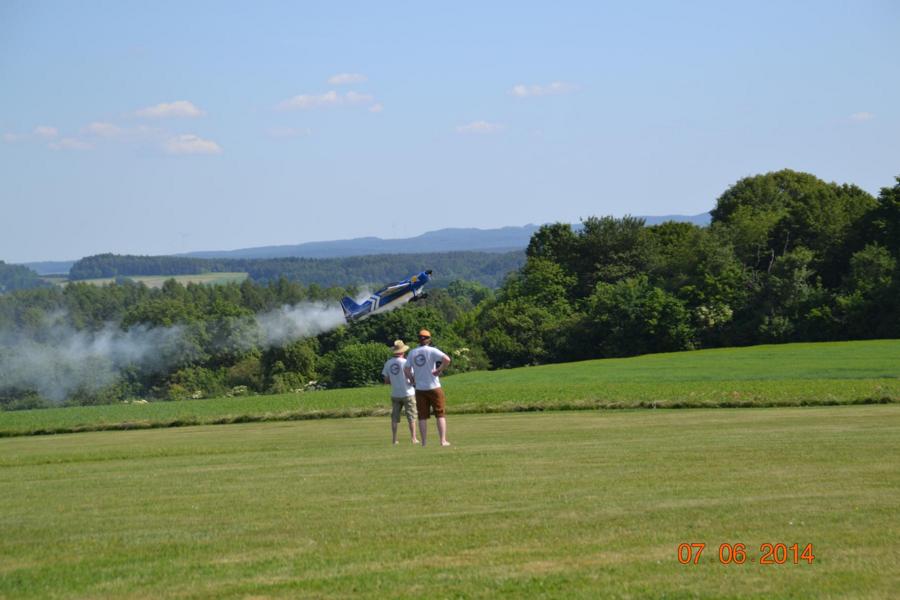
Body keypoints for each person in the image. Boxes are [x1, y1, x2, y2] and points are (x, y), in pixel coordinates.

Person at [405, 329, 452, 447]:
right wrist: (439, 370)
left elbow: (406, 369)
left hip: (420, 389)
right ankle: (442, 441)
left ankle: (424, 442)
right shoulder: (432, 350)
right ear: (429, 339)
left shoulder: (412, 352)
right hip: (434, 387)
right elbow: (447, 359)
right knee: (440, 414)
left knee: (422, 416)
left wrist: (411, 379)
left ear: (419, 339)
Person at [382, 339, 419, 445]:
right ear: (403, 351)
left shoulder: (388, 363)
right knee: (411, 417)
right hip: (408, 393)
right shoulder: (406, 362)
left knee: (394, 418)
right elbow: (413, 377)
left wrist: (395, 380)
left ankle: (394, 439)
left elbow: (386, 381)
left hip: (395, 393)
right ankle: (413, 438)